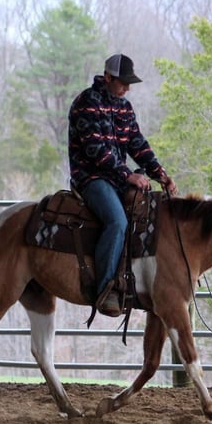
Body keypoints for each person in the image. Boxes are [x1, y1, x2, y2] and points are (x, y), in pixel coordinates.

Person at [68, 53, 178, 316]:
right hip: (91, 178)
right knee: (117, 222)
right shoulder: (86, 103)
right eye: (122, 82)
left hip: (116, 177)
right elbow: (96, 150)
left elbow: (137, 144)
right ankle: (105, 288)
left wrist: (160, 174)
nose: (127, 88)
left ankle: (139, 282)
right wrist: (129, 176)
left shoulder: (124, 107)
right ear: (107, 77)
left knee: (151, 214)